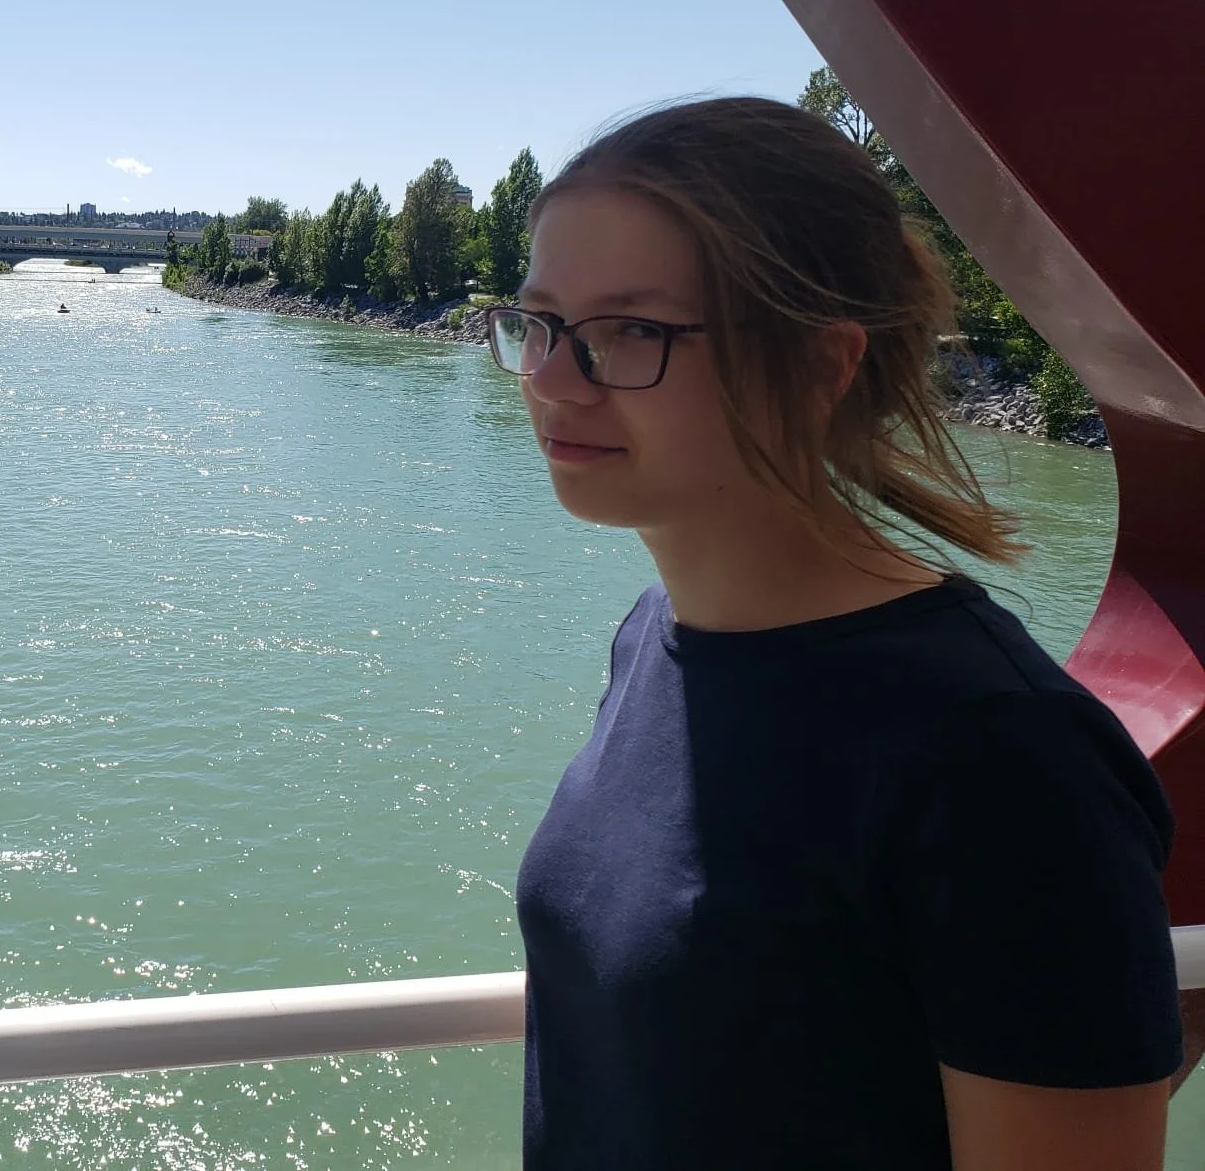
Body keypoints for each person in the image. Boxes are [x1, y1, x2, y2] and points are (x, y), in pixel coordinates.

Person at [490, 97, 1179, 1170]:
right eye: (539, 322)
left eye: (630, 332)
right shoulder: (654, 642)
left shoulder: (1000, 757)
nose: (548, 377)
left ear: (822, 367)